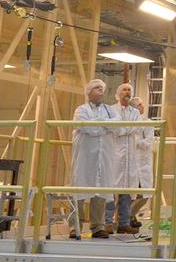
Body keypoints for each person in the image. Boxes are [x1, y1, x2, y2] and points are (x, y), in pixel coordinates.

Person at [71, 79, 117, 239]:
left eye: (102, 88)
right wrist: (104, 125)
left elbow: (117, 125)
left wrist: (100, 124)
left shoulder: (110, 110)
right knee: (79, 189)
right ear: (89, 92)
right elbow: (86, 127)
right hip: (85, 155)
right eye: (97, 88)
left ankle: (98, 227)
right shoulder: (80, 110)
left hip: (103, 155)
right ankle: (75, 226)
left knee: (100, 189)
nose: (101, 91)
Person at [105, 84, 147, 235]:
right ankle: (107, 222)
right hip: (115, 155)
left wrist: (124, 129)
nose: (127, 92)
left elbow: (138, 128)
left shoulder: (135, 112)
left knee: (127, 191)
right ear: (118, 93)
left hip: (130, 156)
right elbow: (114, 129)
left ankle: (123, 223)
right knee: (111, 189)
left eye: (129, 90)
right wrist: (126, 129)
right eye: (124, 89)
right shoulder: (111, 110)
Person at [130, 95, 156, 230]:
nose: (142, 106)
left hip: (144, 162)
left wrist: (137, 142)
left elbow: (147, 142)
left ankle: (129, 215)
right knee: (130, 194)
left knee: (145, 194)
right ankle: (129, 218)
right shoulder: (129, 121)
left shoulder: (147, 122)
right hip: (131, 162)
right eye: (140, 104)